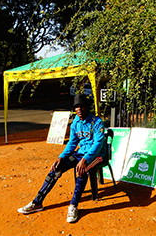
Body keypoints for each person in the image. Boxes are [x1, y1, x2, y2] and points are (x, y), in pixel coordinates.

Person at [18, 94, 105, 223]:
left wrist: (84, 160)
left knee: (82, 170)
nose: (79, 109)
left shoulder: (97, 122)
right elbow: (72, 142)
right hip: (80, 153)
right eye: (76, 107)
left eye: (81, 106)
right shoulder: (76, 121)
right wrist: (61, 156)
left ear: (87, 107)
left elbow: (98, 144)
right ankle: (37, 202)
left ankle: (73, 206)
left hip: (97, 155)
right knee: (56, 169)